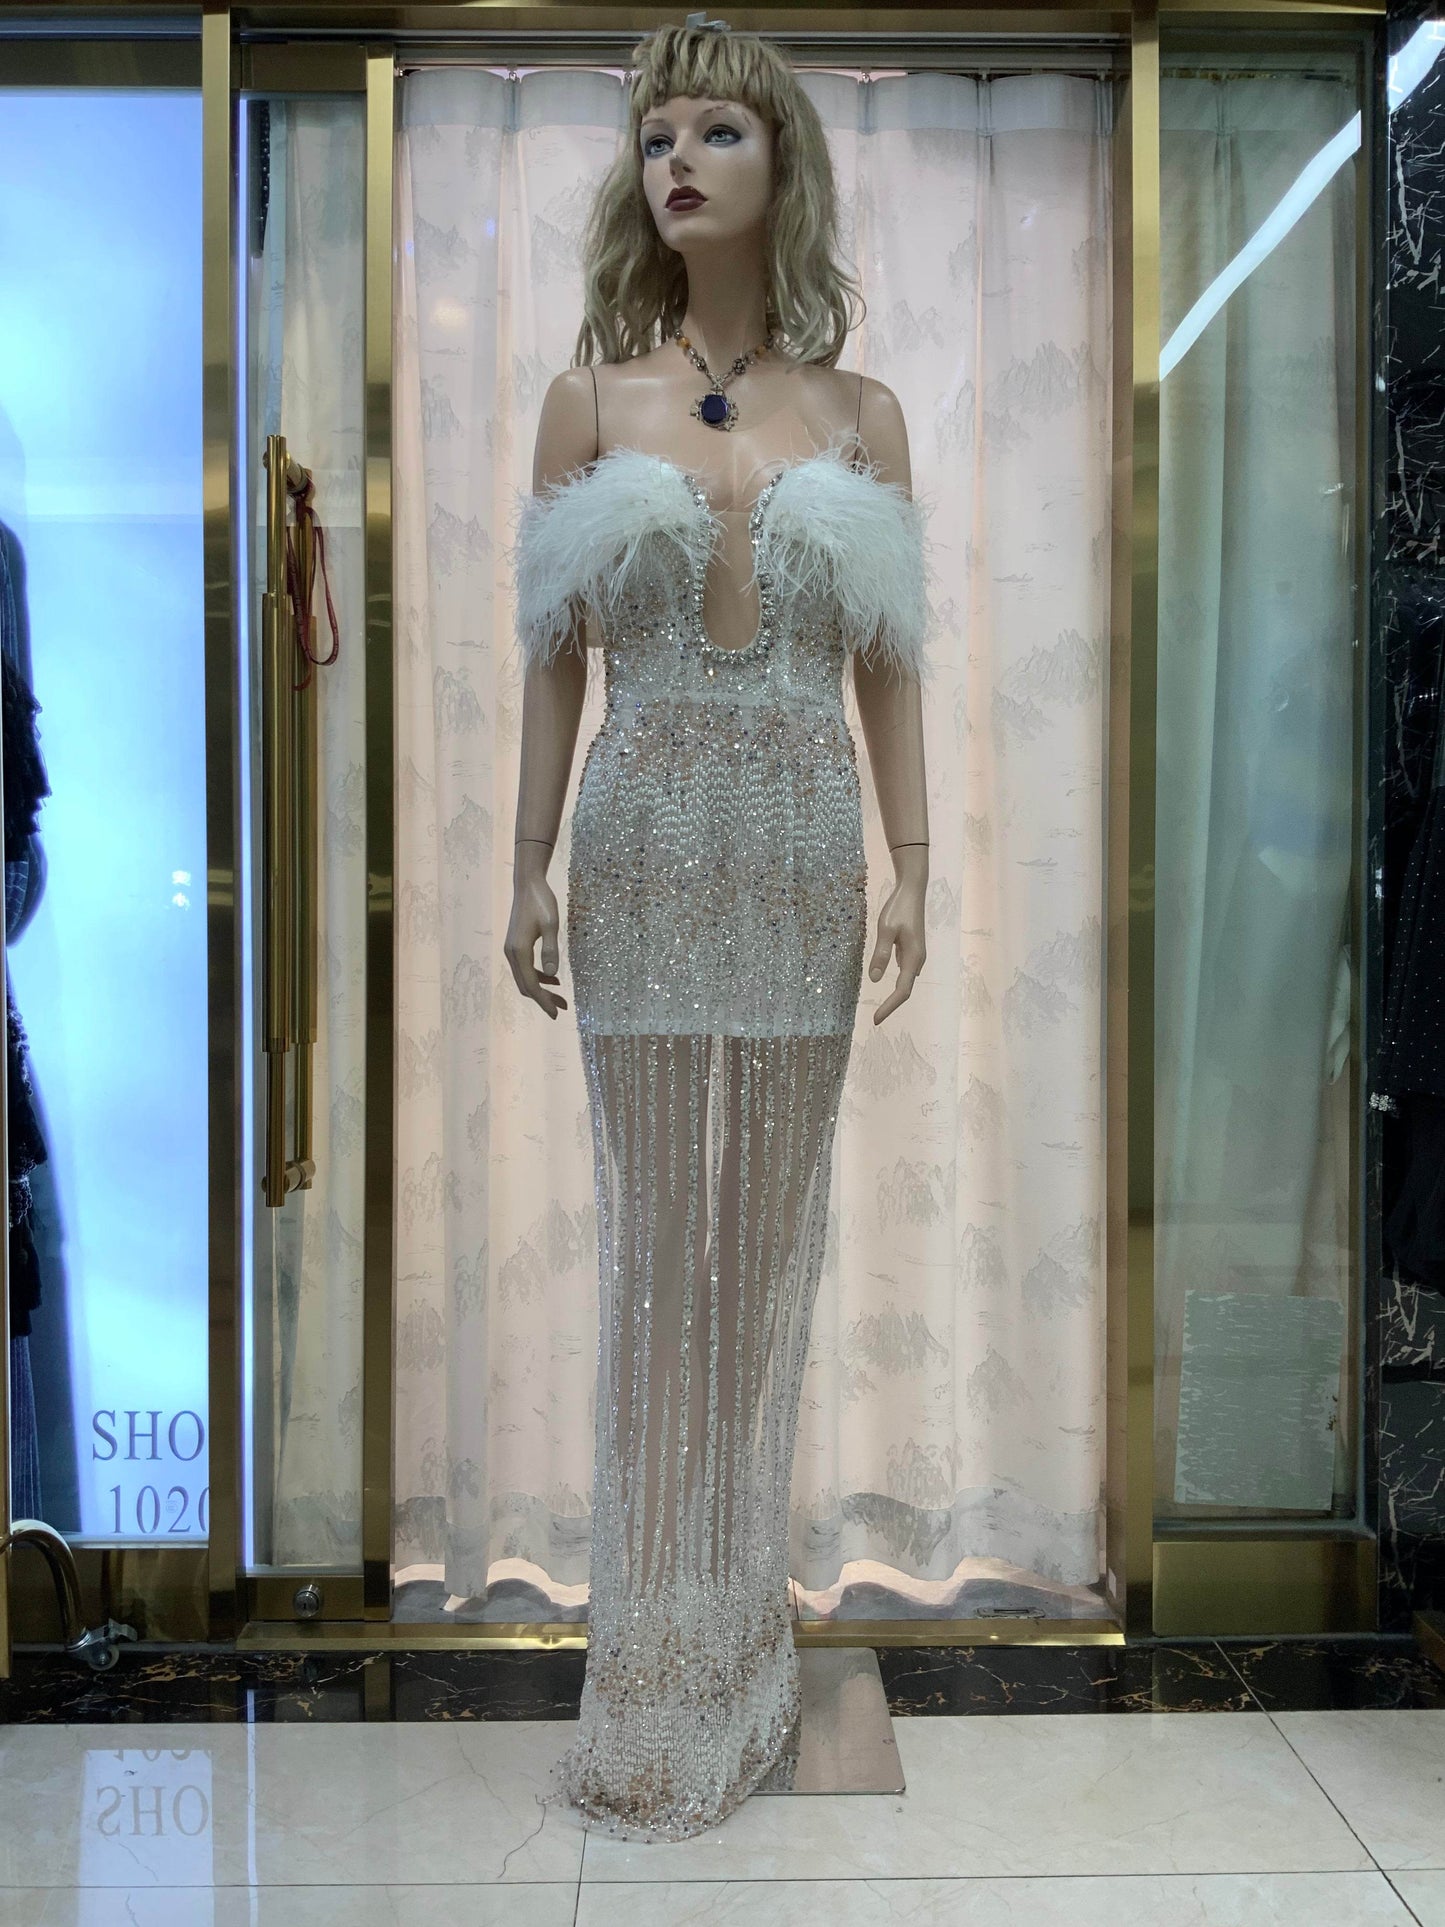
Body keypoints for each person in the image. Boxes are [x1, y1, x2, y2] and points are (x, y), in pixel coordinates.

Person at [504, 18, 930, 1841]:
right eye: (655, 135)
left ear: (782, 166)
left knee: (759, 1265)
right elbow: (551, 657)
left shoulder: (862, 414)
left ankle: (743, 1647)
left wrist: (918, 861)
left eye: (717, 131)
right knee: (653, 1262)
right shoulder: (586, 400)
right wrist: (523, 858)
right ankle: (651, 1667)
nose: (676, 159)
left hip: (800, 854)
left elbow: (893, 664)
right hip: (642, 849)